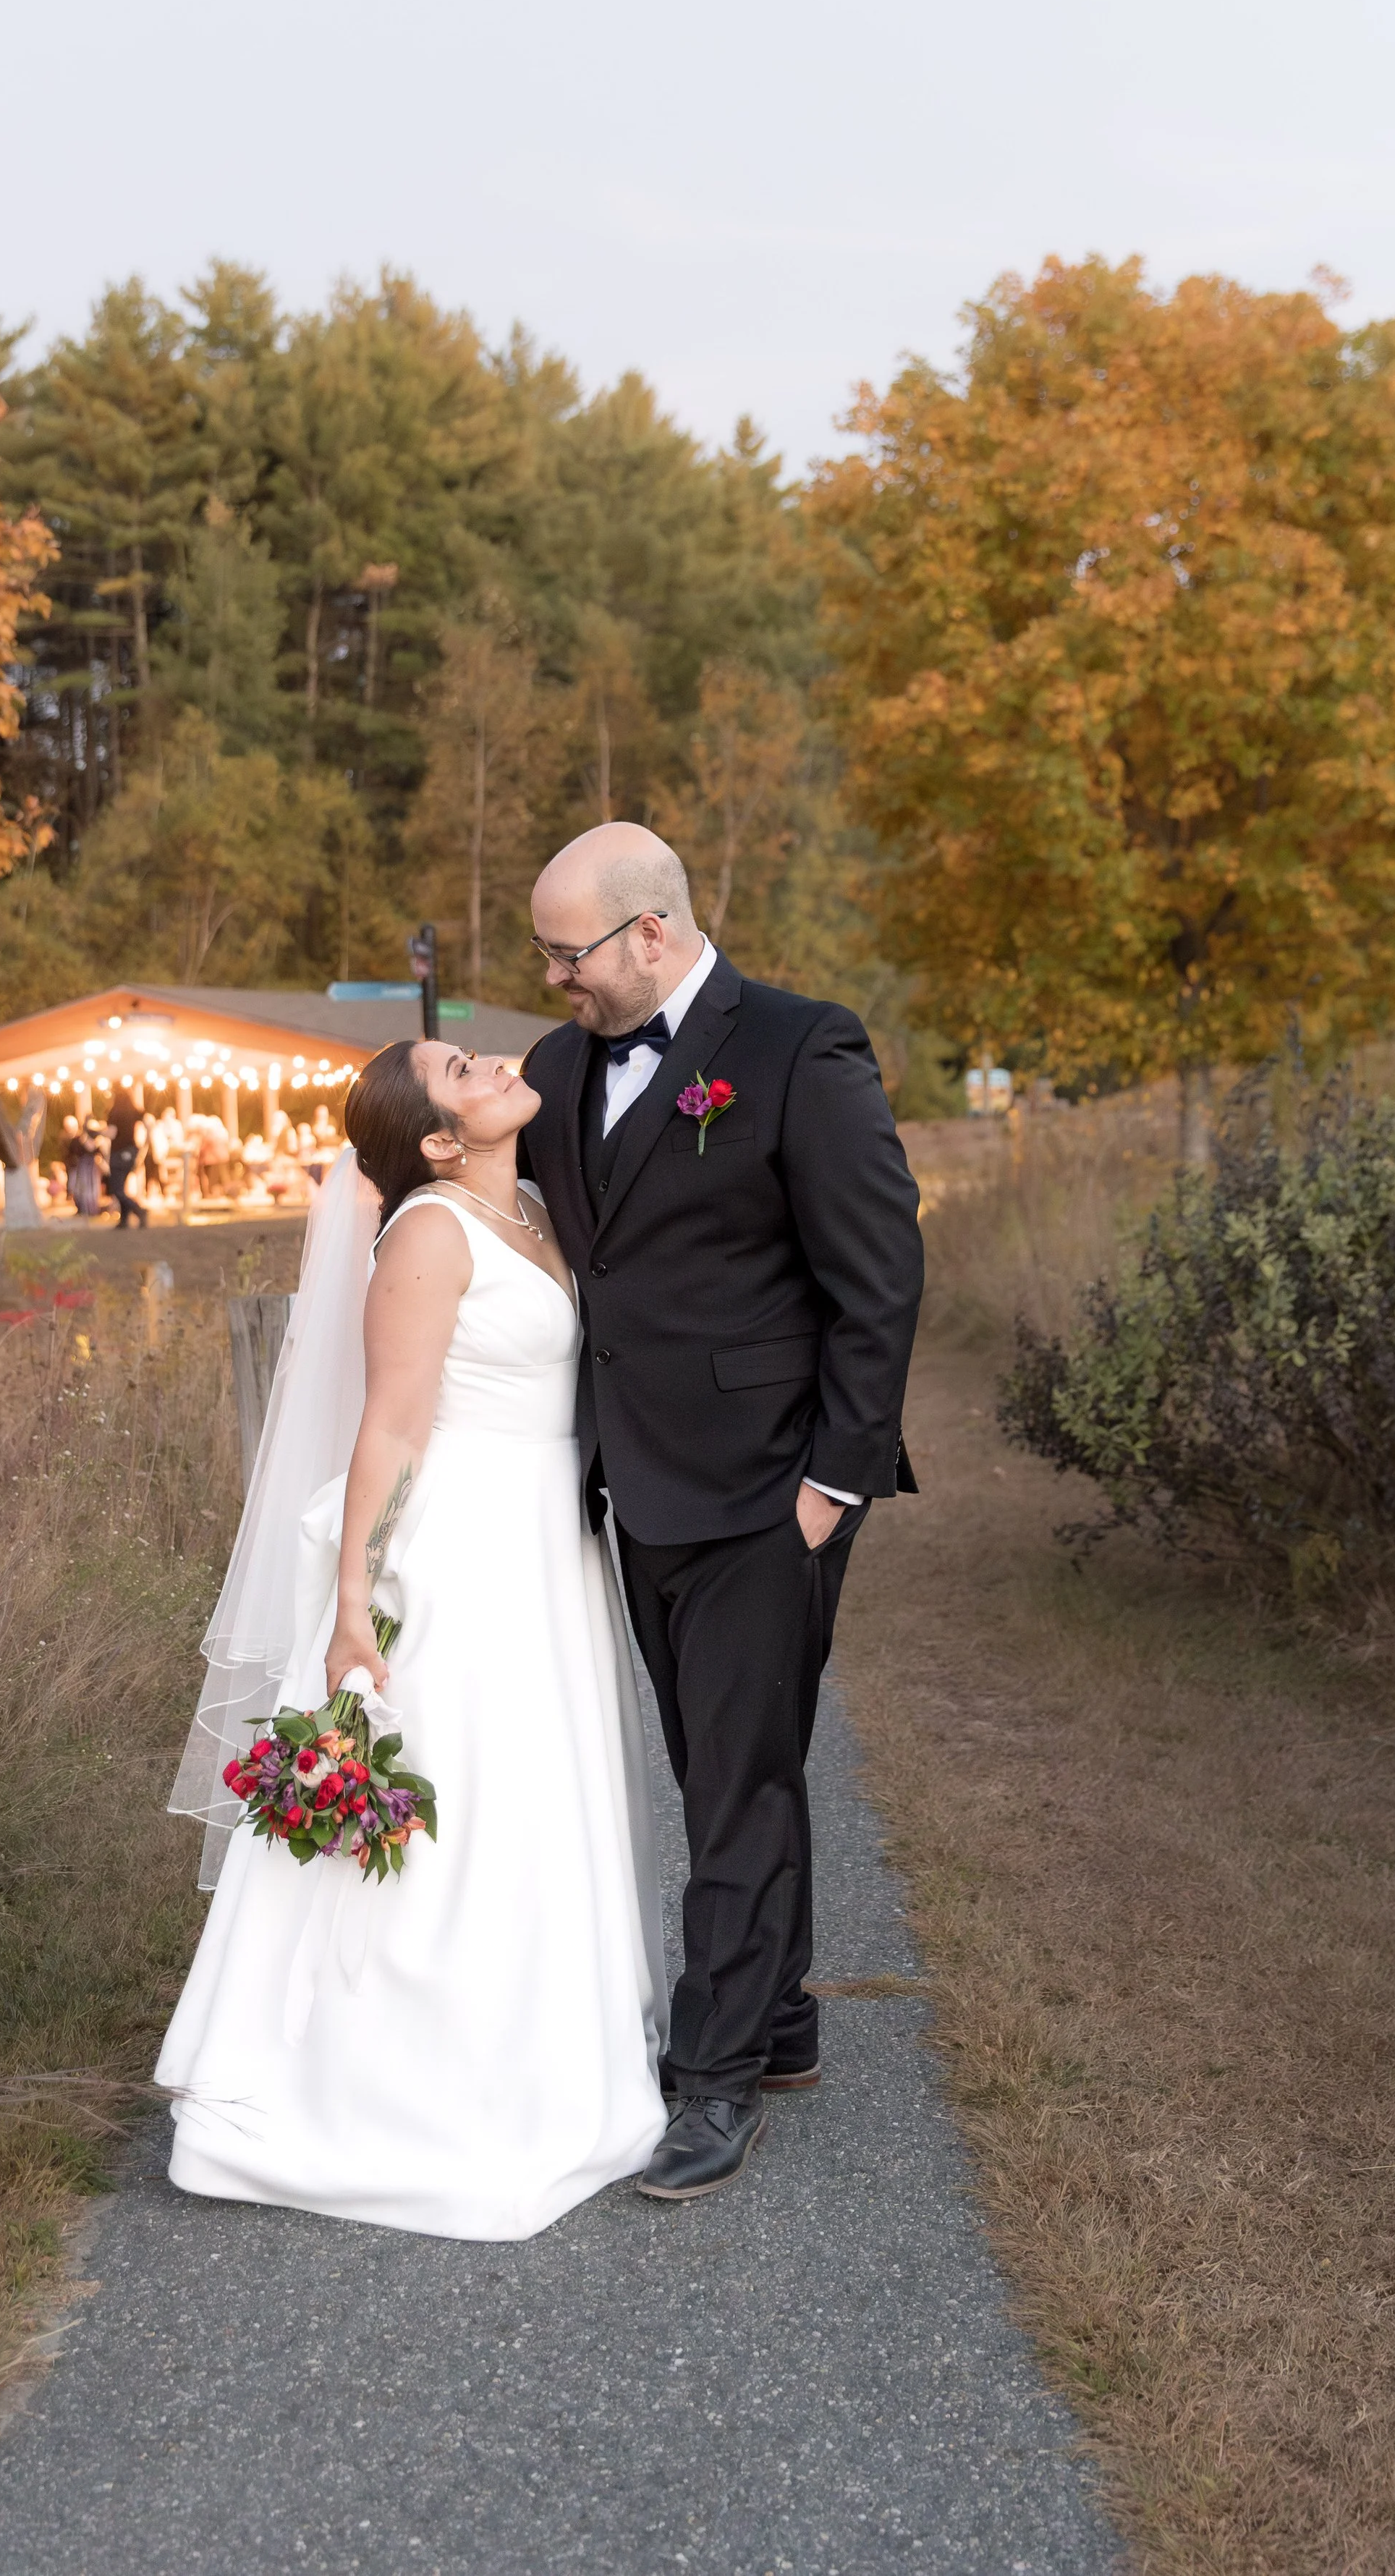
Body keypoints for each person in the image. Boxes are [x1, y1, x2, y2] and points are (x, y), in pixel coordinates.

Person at [156, 1043, 666, 2240]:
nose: (497, 1060)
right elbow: (386, 1428)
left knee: (539, 1797)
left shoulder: (533, 1202)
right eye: (463, 1070)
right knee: (463, 1802)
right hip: (463, 1552)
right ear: (439, 1142)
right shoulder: (430, 1235)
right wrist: (347, 1607)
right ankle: (399, 2086)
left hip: (546, 1546)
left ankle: (545, 2049)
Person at [518, 826, 925, 2200]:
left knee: (739, 1781)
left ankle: (714, 2080)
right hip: (633, 1480)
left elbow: (878, 1279)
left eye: (569, 952)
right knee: (715, 1765)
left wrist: (833, 1484)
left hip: (769, 1488)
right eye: (544, 952)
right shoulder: (557, 1066)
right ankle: (786, 2022)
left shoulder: (804, 1049)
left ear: (651, 931)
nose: (553, 977)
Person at [106, 1085, 148, 1230]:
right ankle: (124, 1220)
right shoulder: (135, 1112)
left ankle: (139, 1210)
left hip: (118, 1152)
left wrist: (98, 1133)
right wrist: (144, 1145)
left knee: (117, 1188)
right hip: (131, 1152)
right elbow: (149, 1124)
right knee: (122, 1186)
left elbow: (111, 1134)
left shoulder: (115, 1113)